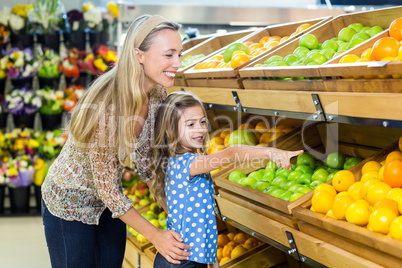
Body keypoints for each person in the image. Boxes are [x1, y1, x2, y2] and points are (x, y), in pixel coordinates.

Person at [41, 14, 191, 267]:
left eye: (180, 54)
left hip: (108, 205)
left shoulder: (156, 93)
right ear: (139, 55)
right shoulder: (107, 106)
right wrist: (156, 236)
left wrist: (179, 215)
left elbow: (146, 164)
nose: (177, 63)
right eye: (169, 55)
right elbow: (109, 190)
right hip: (69, 204)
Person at [150, 91, 303, 267]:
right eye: (190, 124)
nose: (199, 129)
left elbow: (196, 220)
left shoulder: (179, 162)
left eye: (202, 121)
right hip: (180, 262)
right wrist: (270, 152)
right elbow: (231, 153)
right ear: (171, 130)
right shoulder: (187, 164)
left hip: (186, 257)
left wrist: (212, 261)